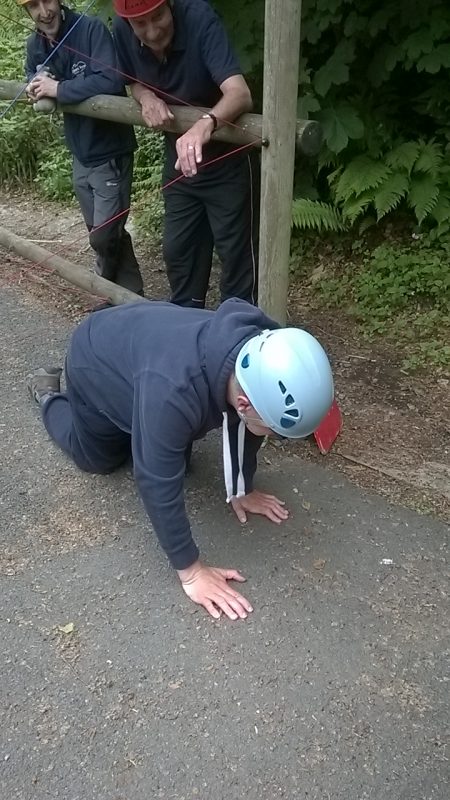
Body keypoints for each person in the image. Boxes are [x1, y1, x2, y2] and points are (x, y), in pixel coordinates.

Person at [26, 298, 335, 620]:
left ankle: (151, 427)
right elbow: (155, 478)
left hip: (144, 343)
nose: (275, 438)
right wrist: (192, 572)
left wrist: (242, 487)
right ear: (243, 403)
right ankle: (49, 396)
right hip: (94, 360)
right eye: (275, 431)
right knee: (99, 458)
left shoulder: (261, 344)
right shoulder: (172, 393)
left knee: (174, 443)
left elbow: (245, 422)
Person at [112, 0, 259, 308]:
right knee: (180, 250)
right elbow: (131, 81)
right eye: (140, 24)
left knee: (235, 254)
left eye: (158, 17)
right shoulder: (122, 28)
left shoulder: (199, 18)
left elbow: (239, 92)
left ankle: (239, 332)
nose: (152, 31)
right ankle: (189, 328)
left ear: (171, 5)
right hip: (179, 157)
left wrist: (205, 124)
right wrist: (146, 96)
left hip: (228, 159)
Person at [19, 0, 144, 295]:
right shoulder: (34, 44)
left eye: (47, 0)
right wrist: (32, 85)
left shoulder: (90, 29)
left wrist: (59, 89)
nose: (43, 11)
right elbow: (31, 72)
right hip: (80, 152)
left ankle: (102, 292)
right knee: (101, 231)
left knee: (102, 236)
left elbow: (112, 79)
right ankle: (130, 296)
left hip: (110, 150)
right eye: (33, 6)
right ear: (26, 11)